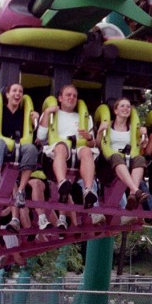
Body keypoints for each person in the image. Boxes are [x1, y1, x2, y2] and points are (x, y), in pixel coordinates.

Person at [0, 83, 40, 231]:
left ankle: (20, 191)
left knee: (31, 149)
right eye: (14, 91)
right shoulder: (0, 111)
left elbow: (35, 138)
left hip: (18, 149)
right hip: (0, 149)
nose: (17, 94)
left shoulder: (24, 113)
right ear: (7, 95)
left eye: (20, 91)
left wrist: (35, 121)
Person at [36, 84, 97, 226]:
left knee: (87, 151)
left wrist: (89, 137)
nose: (71, 98)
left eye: (74, 96)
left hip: (78, 153)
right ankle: (62, 182)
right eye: (68, 95)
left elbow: (92, 144)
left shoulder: (84, 118)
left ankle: (88, 190)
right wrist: (46, 114)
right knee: (61, 147)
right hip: (55, 154)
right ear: (60, 98)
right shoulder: (52, 114)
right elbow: (41, 136)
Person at [96, 97, 149, 210]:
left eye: (128, 106)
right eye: (122, 106)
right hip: (108, 165)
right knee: (116, 156)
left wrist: (144, 141)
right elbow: (98, 146)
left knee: (140, 159)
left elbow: (141, 150)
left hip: (128, 162)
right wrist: (100, 132)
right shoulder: (108, 125)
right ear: (115, 111)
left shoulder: (134, 129)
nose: (126, 108)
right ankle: (135, 190)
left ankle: (132, 196)